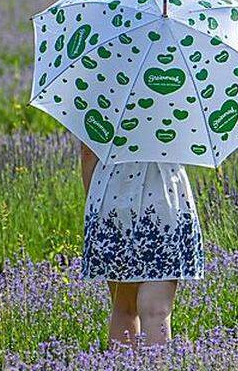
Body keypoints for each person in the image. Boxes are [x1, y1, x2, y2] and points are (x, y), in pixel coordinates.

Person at [79, 141, 204, 346]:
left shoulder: (106, 106)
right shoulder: (180, 106)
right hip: (165, 200)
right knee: (157, 310)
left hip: (112, 198)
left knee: (124, 308)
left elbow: (88, 153)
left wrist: (94, 202)